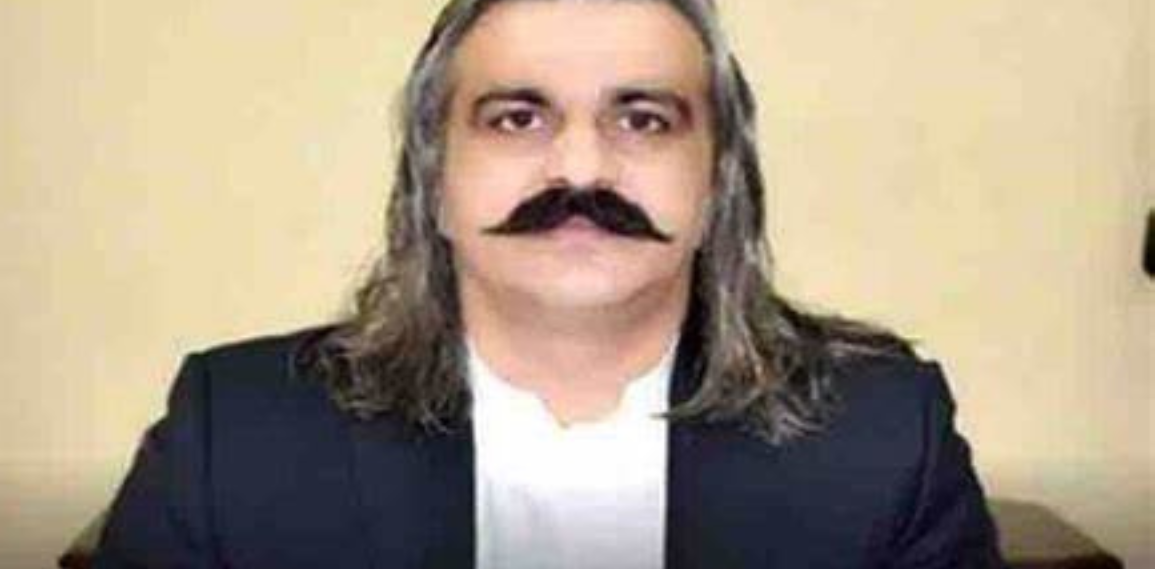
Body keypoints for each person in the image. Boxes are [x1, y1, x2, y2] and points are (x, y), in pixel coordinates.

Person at [94, 0, 1006, 567]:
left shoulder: (883, 436)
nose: (580, 167)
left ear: (716, 188)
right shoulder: (235, 436)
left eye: (642, 120)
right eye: (516, 118)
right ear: (433, 185)